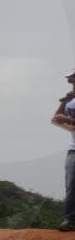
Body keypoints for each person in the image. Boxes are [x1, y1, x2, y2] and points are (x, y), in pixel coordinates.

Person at [51, 68, 75, 231]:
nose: (71, 81)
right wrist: (64, 102)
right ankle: (69, 220)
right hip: (73, 148)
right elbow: (55, 119)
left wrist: (68, 120)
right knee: (71, 185)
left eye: (72, 78)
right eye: (71, 79)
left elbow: (63, 120)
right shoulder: (70, 100)